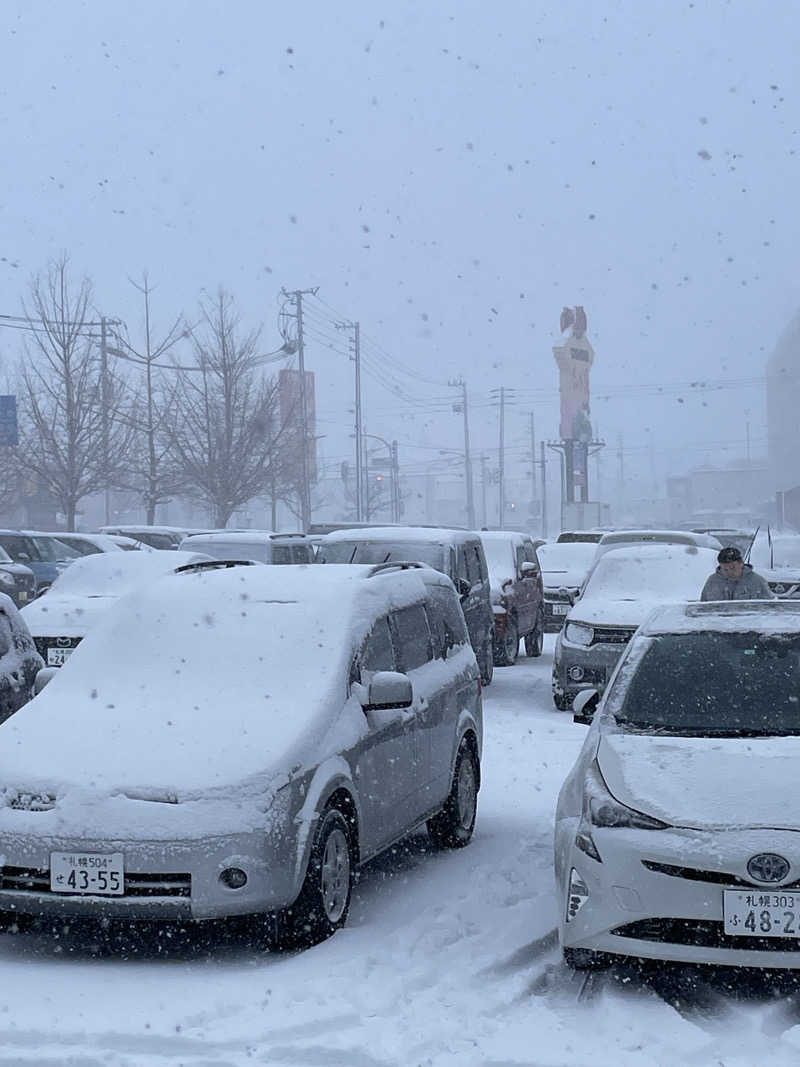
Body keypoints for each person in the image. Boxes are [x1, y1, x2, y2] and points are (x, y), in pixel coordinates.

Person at [700, 546, 775, 601]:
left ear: (741, 564)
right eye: (725, 569)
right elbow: (702, 608)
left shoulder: (758, 582)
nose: (729, 572)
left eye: (732, 568)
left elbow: (770, 610)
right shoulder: (712, 582)